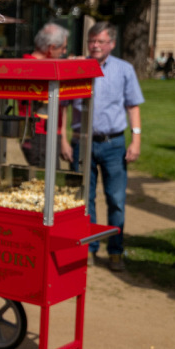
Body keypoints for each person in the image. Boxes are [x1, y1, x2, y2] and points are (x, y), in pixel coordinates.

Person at [63, 22, 144, 272]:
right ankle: (89, 248)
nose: (95, 45)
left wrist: (136, 139)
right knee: (84, 199)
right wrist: (62, 139)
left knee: (116, 199)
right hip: (82, 142)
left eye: (100, 41)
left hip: (113, 144)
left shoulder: (124, 69)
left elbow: (133, 106)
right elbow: (62, 105)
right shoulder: (76, 68)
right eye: (91, 41)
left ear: (112, 43)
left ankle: (115, 251)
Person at [18, 22, 72, 167]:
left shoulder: (45, 66)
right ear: (51, 48)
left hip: (48, 132)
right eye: (63, 48)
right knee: (46, 176)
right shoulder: (34, 68)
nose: (64, 52)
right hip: (39, 134)